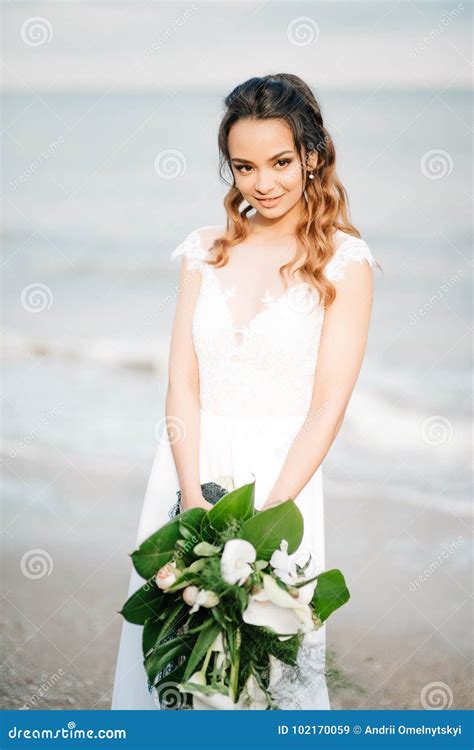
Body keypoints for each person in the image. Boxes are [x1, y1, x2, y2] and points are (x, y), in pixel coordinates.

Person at [111, 73, 380, 710]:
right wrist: (189, 494)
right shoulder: (203, 252)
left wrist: (261, 526)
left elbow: (327, 407)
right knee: (176, 657)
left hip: (281, 484)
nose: (264, 183)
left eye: (281, 162)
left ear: (313, 156)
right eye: (245, 166)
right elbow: (182, 380)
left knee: (266, 665)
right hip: (188, 469)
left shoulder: (346, 261)